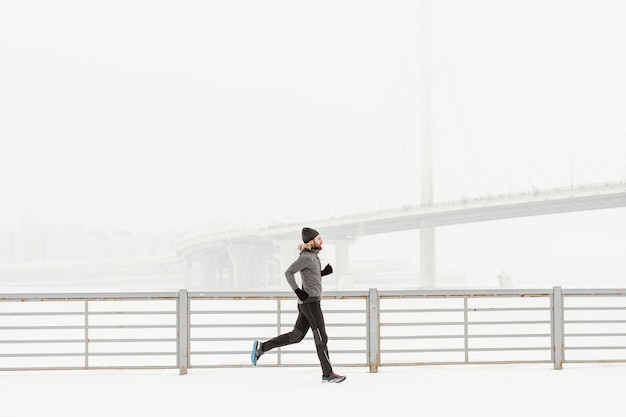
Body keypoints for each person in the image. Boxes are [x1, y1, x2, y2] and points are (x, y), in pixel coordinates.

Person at [251, 227, 346, 383]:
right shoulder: (306, 257)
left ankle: (262, 348)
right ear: (311, 241)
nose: (322, 241)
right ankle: (327, 374)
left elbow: (309, 275)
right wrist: (297, 291)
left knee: (296, 336)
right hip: (310, 303)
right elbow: (289, 272)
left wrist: (322, 273)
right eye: (319, 238)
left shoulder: (313, 257)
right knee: (321, 337)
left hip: (309, 303)